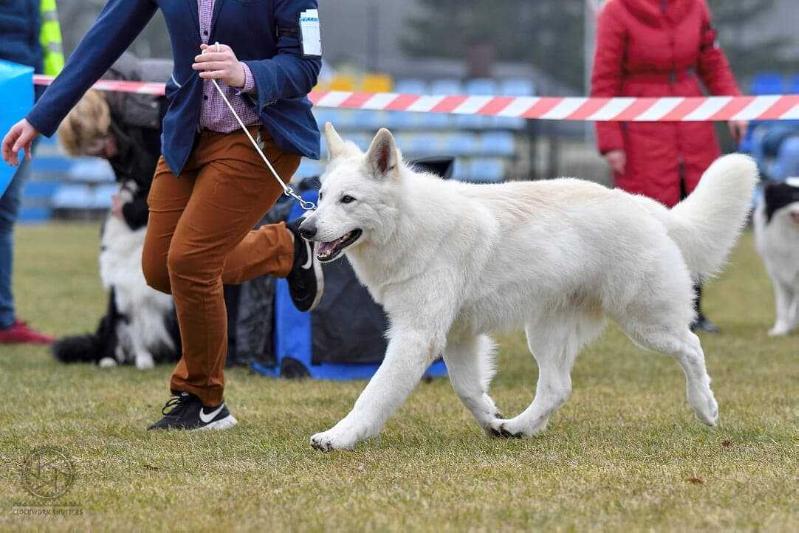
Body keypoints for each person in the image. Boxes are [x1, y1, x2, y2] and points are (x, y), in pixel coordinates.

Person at [2, 0, 324, 431]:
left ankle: (204, 400)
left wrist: (244, 72)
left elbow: (305, 64)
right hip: (186, 134)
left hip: (261, 136)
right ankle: (284, 247)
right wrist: (41, 118)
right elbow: (102, 40)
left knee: (190, 261)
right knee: (159, 269)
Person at [590, 0, 746, 333]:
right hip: (640, 125)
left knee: (699, 211)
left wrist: (733, 104)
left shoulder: (696, 7)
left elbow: (712, 61)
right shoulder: (616, 12)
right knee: (650, 220)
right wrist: (611, 141)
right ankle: (649, 311)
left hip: (693, 121)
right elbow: (604, 79)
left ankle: (694, 310)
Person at [0, 0, 64, 345]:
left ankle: (4, 319)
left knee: (4, 213)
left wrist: (48, 105)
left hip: (28, 99)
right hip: (19, 94)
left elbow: (48, 41)